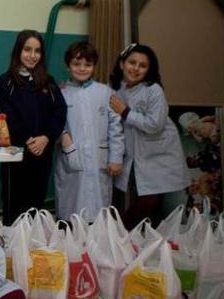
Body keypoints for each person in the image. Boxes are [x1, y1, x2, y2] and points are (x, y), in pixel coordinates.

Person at [108, 43, 187, 229]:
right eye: (132, 62)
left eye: (142, 65)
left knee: (157, 201)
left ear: (148, 69)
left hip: (161, 154)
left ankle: (121, 232)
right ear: (122, 64)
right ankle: (125, 234)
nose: (135, 68)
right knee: (145, 198)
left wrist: (125, 112)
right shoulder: (116, 88)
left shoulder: (153, 90)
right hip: (136, 153)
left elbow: (155, 124)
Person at [0, 30, 67, 222]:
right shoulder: (6, 82)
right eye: (27, 49)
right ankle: (12, 247)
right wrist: (28, 139)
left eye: (37, 51)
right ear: (18, 51)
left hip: (41, 154)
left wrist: (46, 137)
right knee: (13, 205)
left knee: (35, 204)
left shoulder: (48, 82)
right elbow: (5, 115)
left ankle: (31, 248)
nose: (32, 55)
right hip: (16, 154)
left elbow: (59, 112)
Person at [53, 42, 124, 222]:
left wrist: (116, 157)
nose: (82, 68)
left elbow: (115, 127)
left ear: (94, 66)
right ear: (68, 66)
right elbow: (54, 123)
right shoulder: (61, 93)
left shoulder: (105, 92)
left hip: (98, 161)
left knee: (98, 212)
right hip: (71, 160)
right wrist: (64, 140)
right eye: (77, 64)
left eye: (88, 64)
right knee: (71, 210)